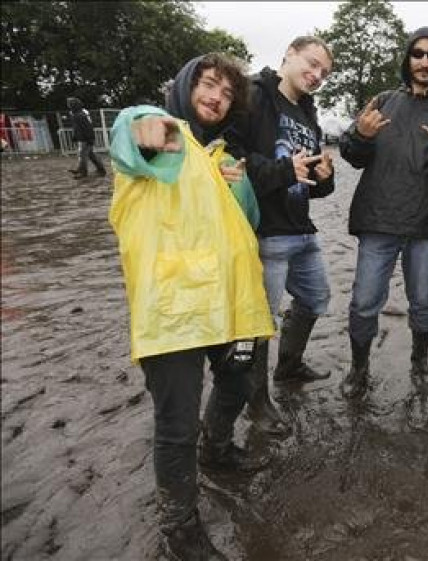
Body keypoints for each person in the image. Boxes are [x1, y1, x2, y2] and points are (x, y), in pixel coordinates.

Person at [107, 53, 274, 559]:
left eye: (226, 94)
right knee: (175, 423)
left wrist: (238, 182)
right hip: (175, 312)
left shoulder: (220, 156)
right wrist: (148, 129)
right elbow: (133, 137)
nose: (216, 98)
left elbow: (248, 221)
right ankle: (179, 526)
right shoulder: (165, 134)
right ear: (182, 86)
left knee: (239, 378)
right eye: (207, 85)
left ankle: (217, 450)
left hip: (232, 306)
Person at [339, 27, 428, 398]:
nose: (425, 61)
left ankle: (420, 359)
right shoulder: (381, 101)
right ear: (407, 59)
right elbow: (352, 156)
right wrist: (360, 136)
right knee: (364, 302)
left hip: (426, 224)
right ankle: (358, 367)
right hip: (377, 220)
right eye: (418, 54)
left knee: (423, 300)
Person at [227, 36, 335, 436]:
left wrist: (325, 177)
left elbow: (310, 179)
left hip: (301, 227)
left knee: (315, 298)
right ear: (288, 53)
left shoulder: (308, 113)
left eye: (323, 73)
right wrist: (285, 171)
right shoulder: (253, 94)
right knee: (260, 321)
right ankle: (256, 403)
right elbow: (232, 158)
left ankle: (288, 366)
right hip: (265, 231)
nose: (316, 75)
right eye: (311, 64)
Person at [67, 96, 106, 178]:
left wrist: (90, 139)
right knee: (91, 155)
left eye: (70, 104)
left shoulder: (80, 115)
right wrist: (75, 136)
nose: (69, 105)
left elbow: (88, 128)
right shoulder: (77, 114)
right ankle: (100, 170)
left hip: (86, 138)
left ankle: (83, 172)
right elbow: (78, 128)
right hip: (84, 138)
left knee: (83, 155)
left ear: (74, 105)